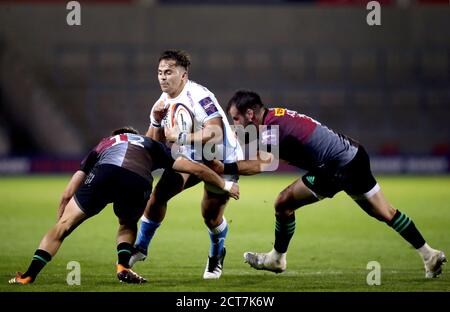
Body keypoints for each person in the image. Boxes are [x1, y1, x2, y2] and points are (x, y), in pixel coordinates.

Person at [220, 89, 446, 278]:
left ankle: (277, 259)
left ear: (250, 114)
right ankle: (429, 254)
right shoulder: (275, 118)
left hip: (336, 166)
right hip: (354, 154)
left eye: (236, 119)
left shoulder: (271, 128)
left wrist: (222, 168)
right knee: (385, 212)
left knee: (283, 202)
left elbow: (261, 164)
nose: (235, 124)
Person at [8, 127, 239, 285]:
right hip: (138, 181)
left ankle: (28, 276)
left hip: (105, 173)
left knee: (64, 226)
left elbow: (73, 185)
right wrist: (225, 185)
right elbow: (194, 168)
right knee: (127, 223)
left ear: (117, 135)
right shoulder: (151, 145)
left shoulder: (105, 142)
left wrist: (63, 212)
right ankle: (122, 267)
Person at [130, 50, 243, 279]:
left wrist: (181, 138)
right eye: (160, 72)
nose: (163, 77)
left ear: (183, 75)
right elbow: (152, 143)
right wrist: (155, 120)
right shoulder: (162, 101)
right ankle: (140, 247)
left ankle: (216, 254)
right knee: (158, 196)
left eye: (168, 72)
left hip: (222, 159)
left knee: (210, 216)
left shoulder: (199, 97)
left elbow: (216, 132)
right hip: (192, 156)